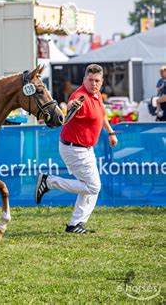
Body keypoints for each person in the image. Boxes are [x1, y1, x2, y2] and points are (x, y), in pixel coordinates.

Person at [35, 64, 118, 234]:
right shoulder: (80, 95)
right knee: (93, 187)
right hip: (74, 149)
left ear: (101, 82)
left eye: (97, 80)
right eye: (90, 80)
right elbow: (72, 105)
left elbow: (101, 115)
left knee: (89, 187)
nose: (94, 83)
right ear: (84, 80)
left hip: (86, 149)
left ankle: (75, 224)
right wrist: (71, 106)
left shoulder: (96, 95)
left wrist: (111, 132)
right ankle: (49, 181)